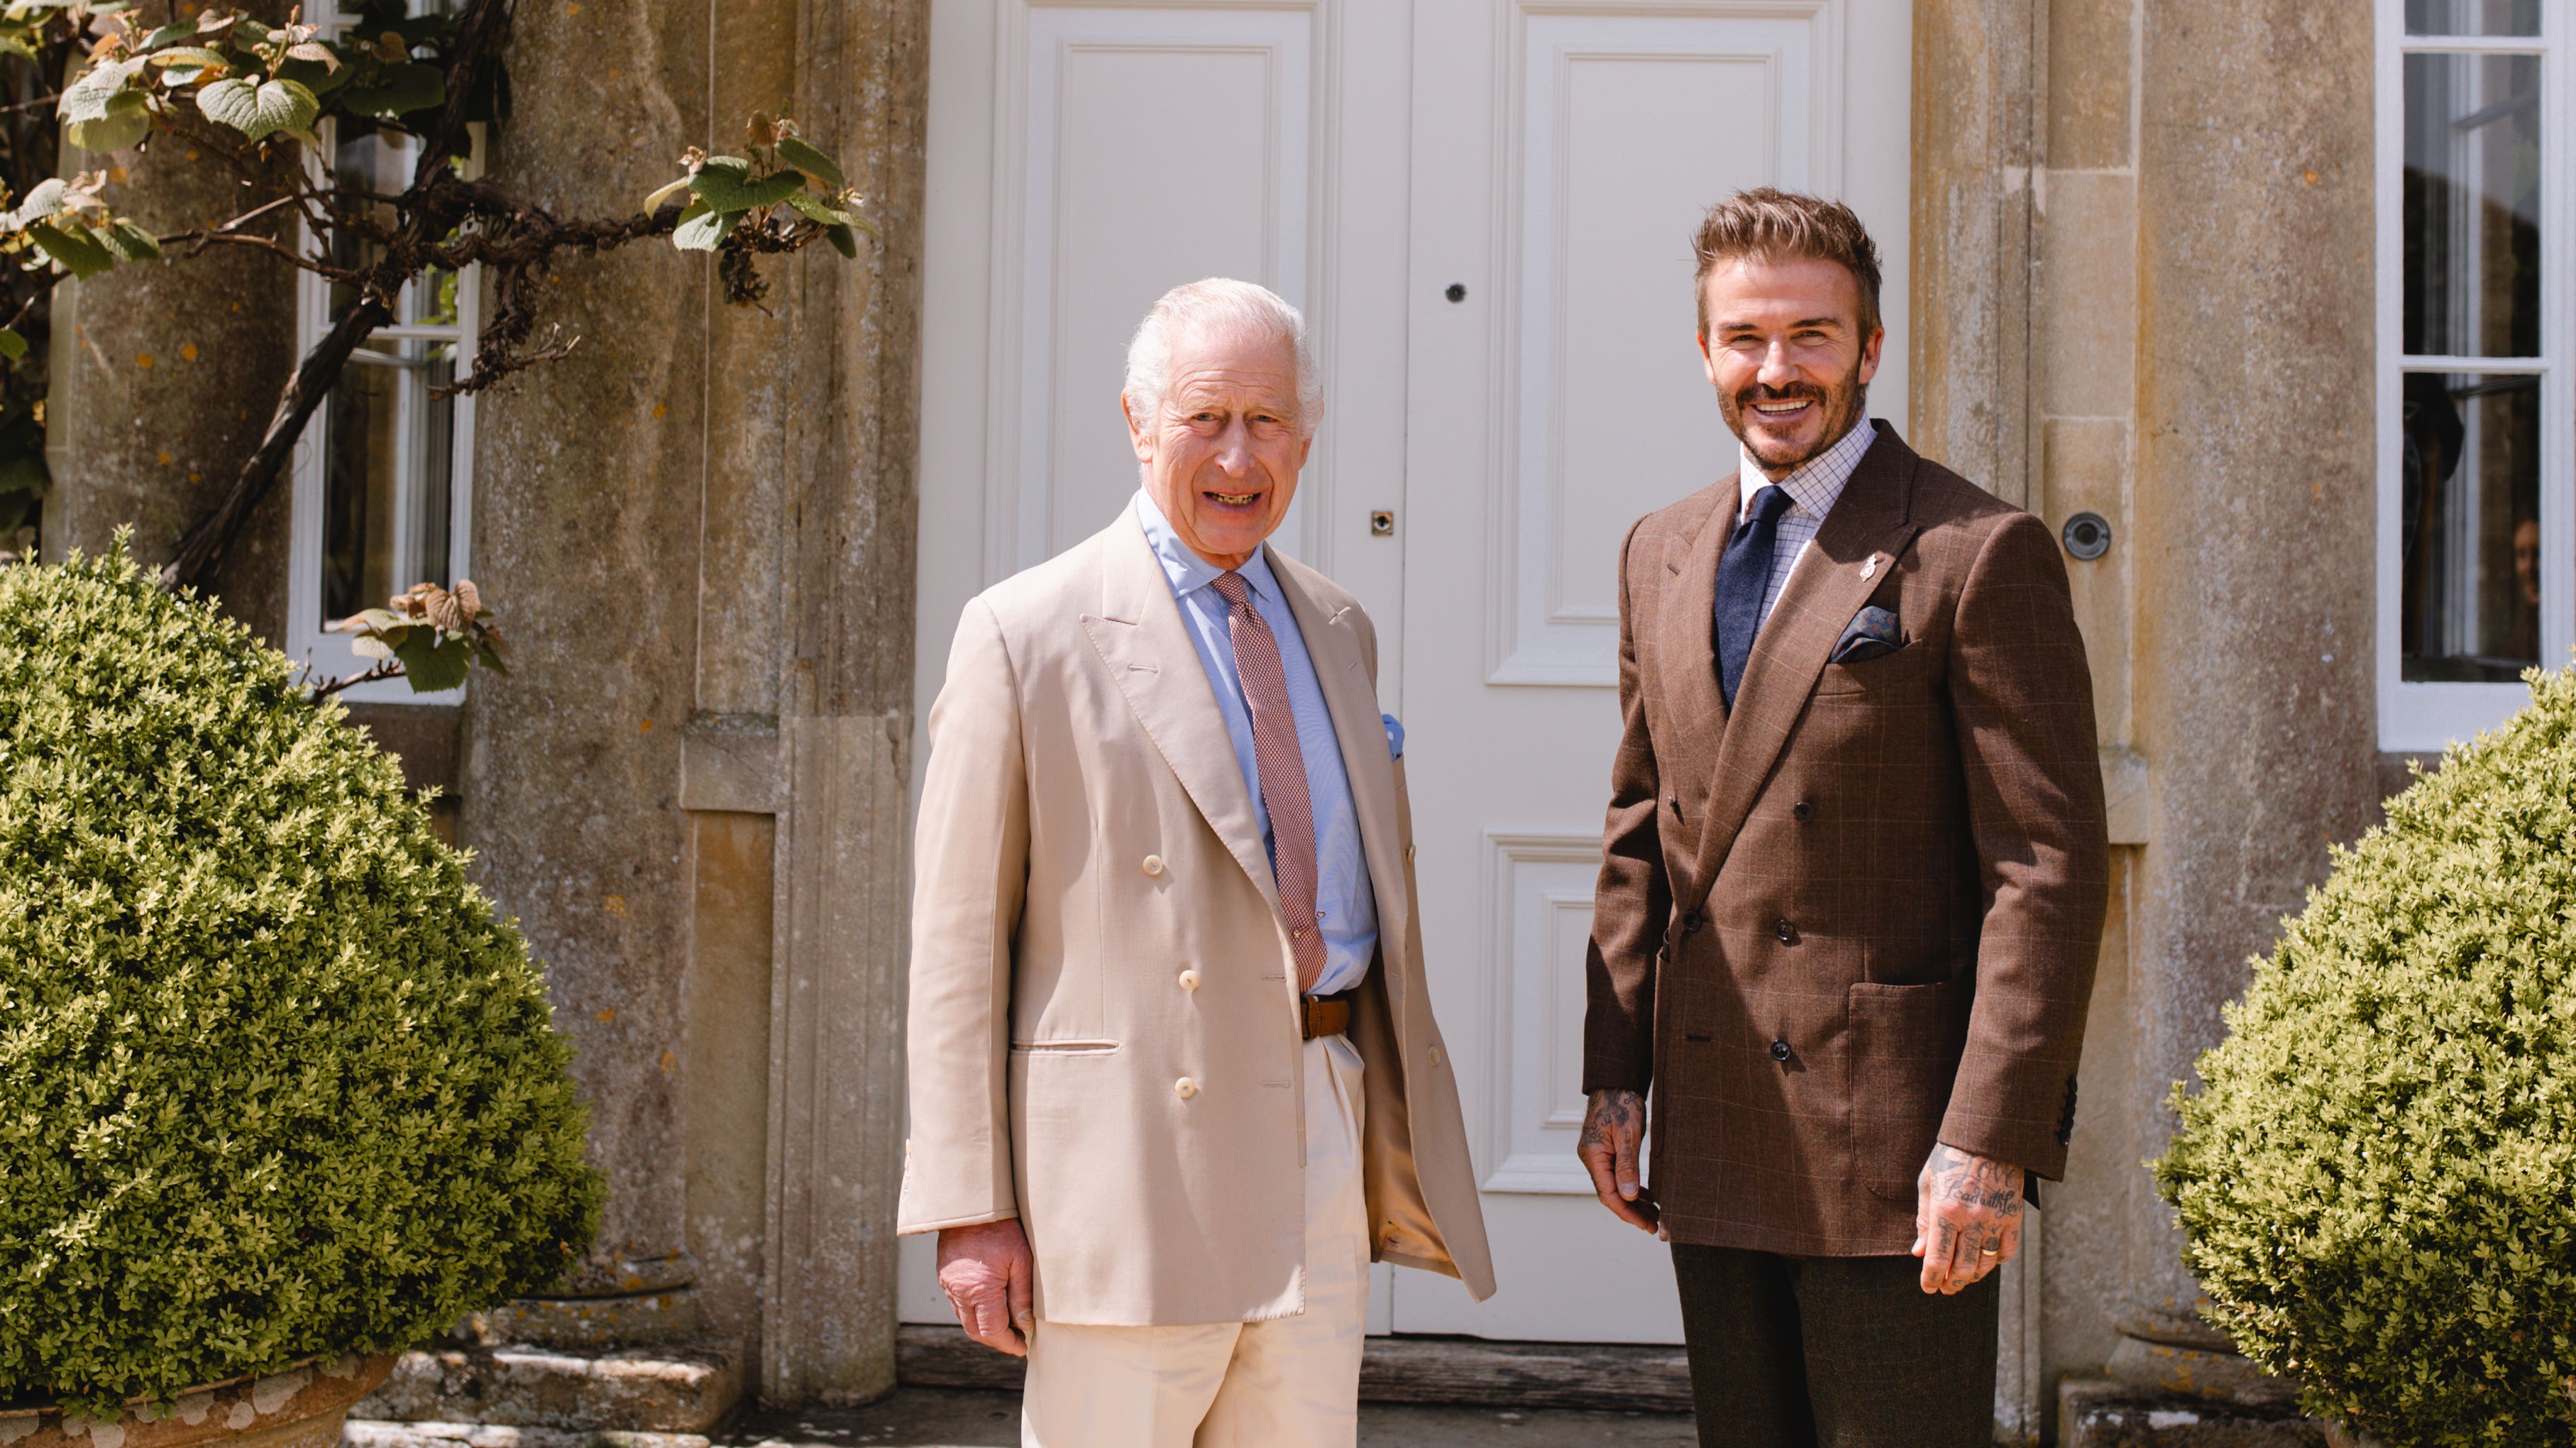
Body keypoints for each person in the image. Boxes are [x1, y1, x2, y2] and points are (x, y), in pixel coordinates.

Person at [901, 278, 1495, 1448]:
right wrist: (972, 1208)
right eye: (1204, 417)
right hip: (1129, 1163)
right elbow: (957, 945)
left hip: (1319, 1119)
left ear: (1308, 436)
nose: (1238, 454)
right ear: (1137, 422)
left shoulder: (1338, 626)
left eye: (1268, 420)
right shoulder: (1025, 633)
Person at [1576, 190, 2110, 1448]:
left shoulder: (1977, 549)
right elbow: (1641, 829)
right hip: (1714, 1118)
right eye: (1746, 338)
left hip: (1894, 1141)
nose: (1778, 371)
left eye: (1813, 336)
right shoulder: (1659, 548)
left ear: (1870, 350)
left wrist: (1988, 1139)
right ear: (1705, 352)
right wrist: (1614, 1079)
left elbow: (2045, 867)